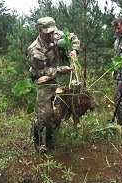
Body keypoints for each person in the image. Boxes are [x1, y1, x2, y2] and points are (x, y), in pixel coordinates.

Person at [27, 16, 81, 153]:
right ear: (40, 31)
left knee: (57, 114)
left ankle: (51, 142)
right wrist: (63, 70)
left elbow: (73, 37)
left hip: (58, 80)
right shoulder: (35, 50)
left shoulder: (57, 35)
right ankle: (38, 143)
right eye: (48, 33)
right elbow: (43, 72)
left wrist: (74, 50)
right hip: (44, 81)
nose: (52, 35)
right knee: (44, 115)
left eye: (53, 32)